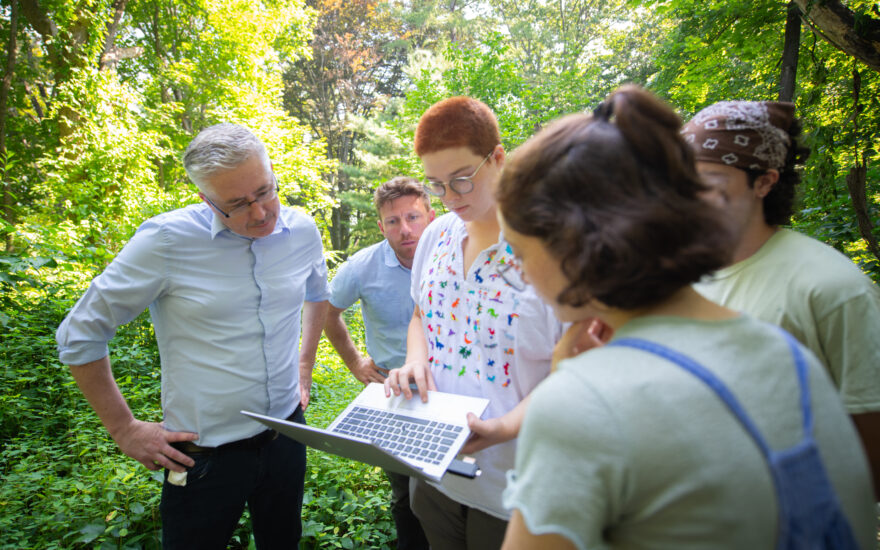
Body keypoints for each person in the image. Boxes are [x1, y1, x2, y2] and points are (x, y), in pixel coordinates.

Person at [496, 86, 875, 549]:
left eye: (516, 249)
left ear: (571, 243)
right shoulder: (787, 355)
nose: (515, 268)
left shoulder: (580, 404)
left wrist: (573, 386)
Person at [55, 123, 331, 549]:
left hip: (287, 436)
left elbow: (317, 293)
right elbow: (80, 333)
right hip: (202, 458)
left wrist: (304, 366)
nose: (258, 213)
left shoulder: (302, 231)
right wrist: (124, 428)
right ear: (205, 200)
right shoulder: (166, 241)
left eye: (264, 191)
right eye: (236, 204)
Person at [384, 96, 563, 550]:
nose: (449, 198)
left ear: (497, 158)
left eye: (461, 180)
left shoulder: (550, 248)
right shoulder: (437, 236)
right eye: (437, 185)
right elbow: (422, 314)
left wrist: (502, 429)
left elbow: (577, 374)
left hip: (514, 485)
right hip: (434, 471)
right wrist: (414, 358)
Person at [681, 101, 880, 498]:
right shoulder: (683, 277)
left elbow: (871, 453)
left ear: (764, 182)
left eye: (709, 180)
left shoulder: (832, 288)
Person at [324, 176, 435, 550]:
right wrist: (355, 361)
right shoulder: (362, 267)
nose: (405, 230)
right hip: (396, 391)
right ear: (380, 225)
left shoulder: (453, 254)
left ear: (430, 215)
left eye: (413, 217)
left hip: (455, 385)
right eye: (393, 221)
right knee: (406, 495)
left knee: (456, 488)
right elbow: (327, 312)